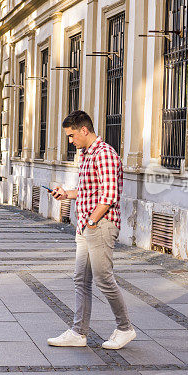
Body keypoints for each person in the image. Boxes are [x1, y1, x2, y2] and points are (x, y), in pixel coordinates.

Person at [47, 110, 136, 350]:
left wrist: (92, 222)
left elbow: (108, 196)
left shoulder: (104, 154)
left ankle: (125, 328)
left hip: (100, 225)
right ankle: (78, 332)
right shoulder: (87, 155)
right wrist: (67, 193)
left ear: (84, 130)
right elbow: (89, 191)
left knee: (103, 279)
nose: (70, 140)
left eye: (72, 135)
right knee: (81, 280)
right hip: (87, 225)